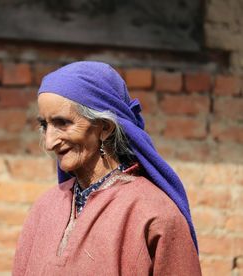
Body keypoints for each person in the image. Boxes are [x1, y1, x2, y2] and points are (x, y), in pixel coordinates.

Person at [13, 61, 201, 275]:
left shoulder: (154, 214)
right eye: (45, 125)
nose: (49, 143)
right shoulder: (44, 209)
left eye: (62, 123)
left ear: (104, 128)